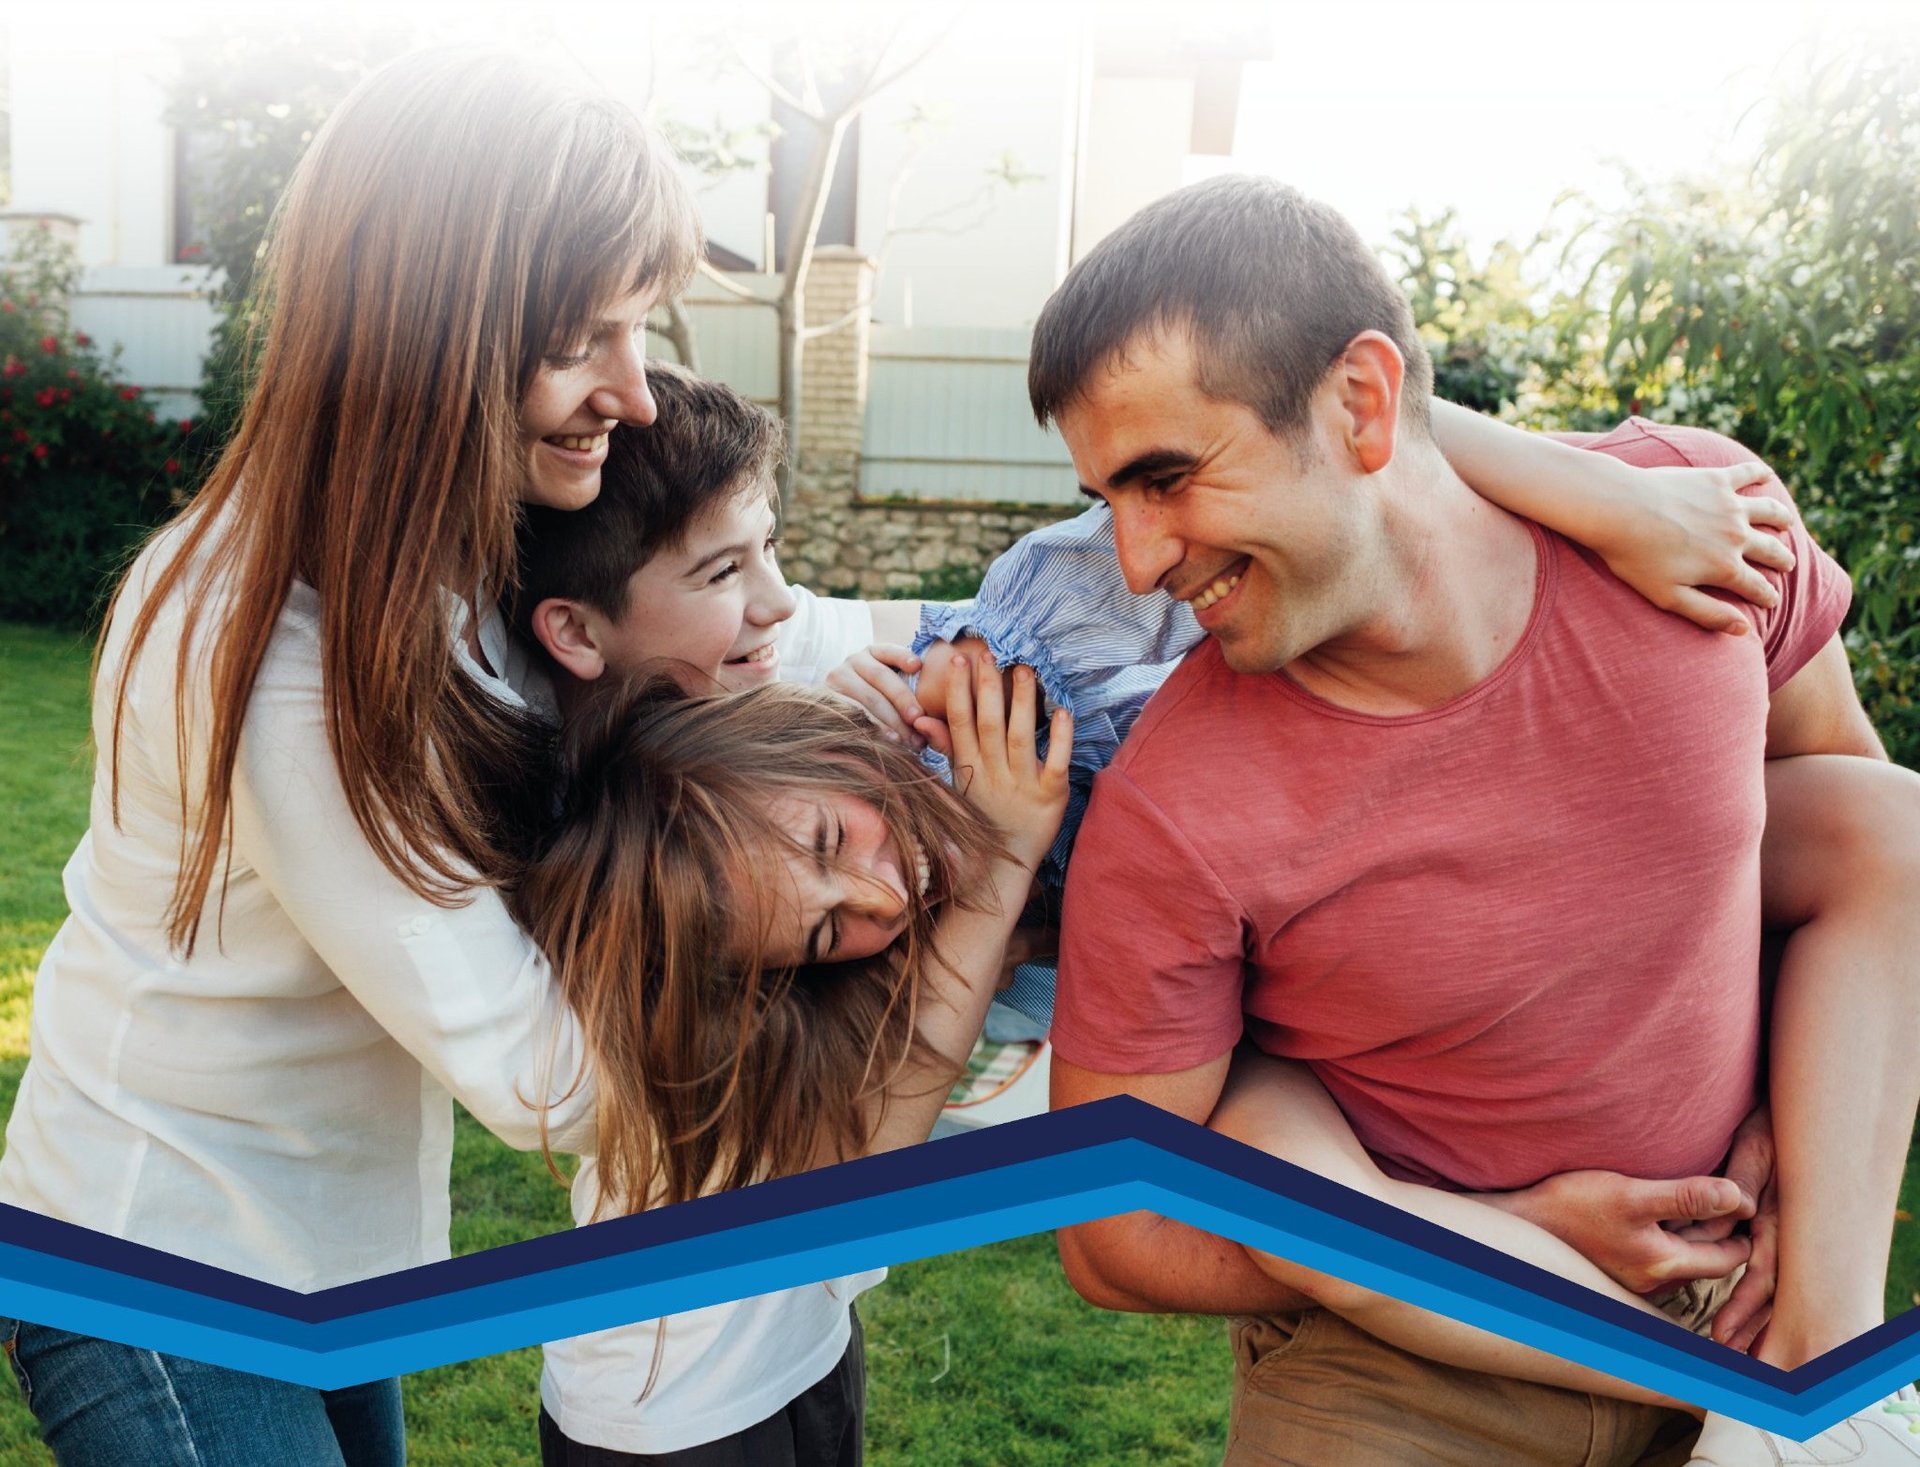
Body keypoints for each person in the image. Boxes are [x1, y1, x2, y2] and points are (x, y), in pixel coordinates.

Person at [1014, 176, 1918, 1464]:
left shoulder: (1703, 534)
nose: (1141, 562)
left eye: (1168, 480)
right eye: (1110, 500)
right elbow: (1118, 1233)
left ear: (1362, 403)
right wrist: (1511, 1229)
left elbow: (1857, 837)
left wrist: (1804, 1156)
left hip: (1759, 1292)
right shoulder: (1178, 808)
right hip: (1405, 1379)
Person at [0, 48, 700, 1466]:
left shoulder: (466, 545)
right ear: (425, 332)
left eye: (645, 324)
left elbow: (745, 635)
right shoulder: (260, 642)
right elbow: (536, 1073)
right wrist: (867, 980)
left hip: (336, 1258)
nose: (637, 392)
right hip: (156, 1255)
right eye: (583, 339)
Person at [513, 665, 1070, 1466]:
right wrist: (1007, 857)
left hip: (800, 1353)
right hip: (678, 1422)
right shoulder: (708, 1038)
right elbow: (869, 1165)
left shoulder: (789, 867)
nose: (880, 900)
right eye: (823, 933)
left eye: (831, 838)